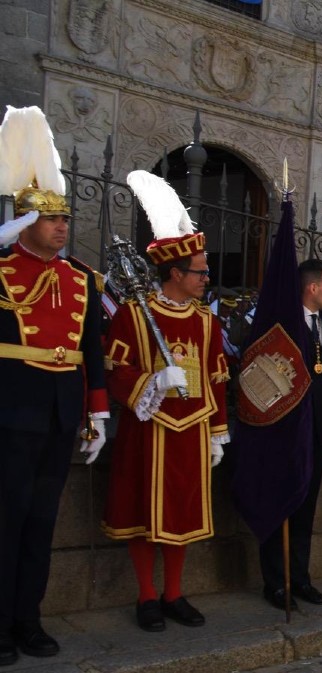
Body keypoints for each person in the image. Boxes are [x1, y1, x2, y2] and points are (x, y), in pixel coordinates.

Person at [0, 106, 109, 665]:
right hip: (11, 412)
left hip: (61, 412)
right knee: (6, 521)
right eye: (49, 218)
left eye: (65, 217)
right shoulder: (0, 270)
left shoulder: (82, 279)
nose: (62, 226)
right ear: (24, 221)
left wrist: (97, 415)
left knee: (42, 524)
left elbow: (92, 349)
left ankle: (29, 620)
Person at [103, 170, 230, 632]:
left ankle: (175, 593)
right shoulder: (136, 315)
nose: (206, 278)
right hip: (149, 428)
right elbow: (116, 370)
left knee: (181, 514)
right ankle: (146, 596)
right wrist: (152, 380)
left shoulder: (206, 321)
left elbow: (217, 377)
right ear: (175, 273)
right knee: (143, 514)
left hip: (192, 430)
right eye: (199, 271)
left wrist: (218, 431)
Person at [257, 259, 322, 610]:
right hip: (286, 429)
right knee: (282, 503)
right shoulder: (282, 321)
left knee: (307, 505)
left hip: (319, 428)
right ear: (312, 288)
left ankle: (301, 577)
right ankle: (277, 582)